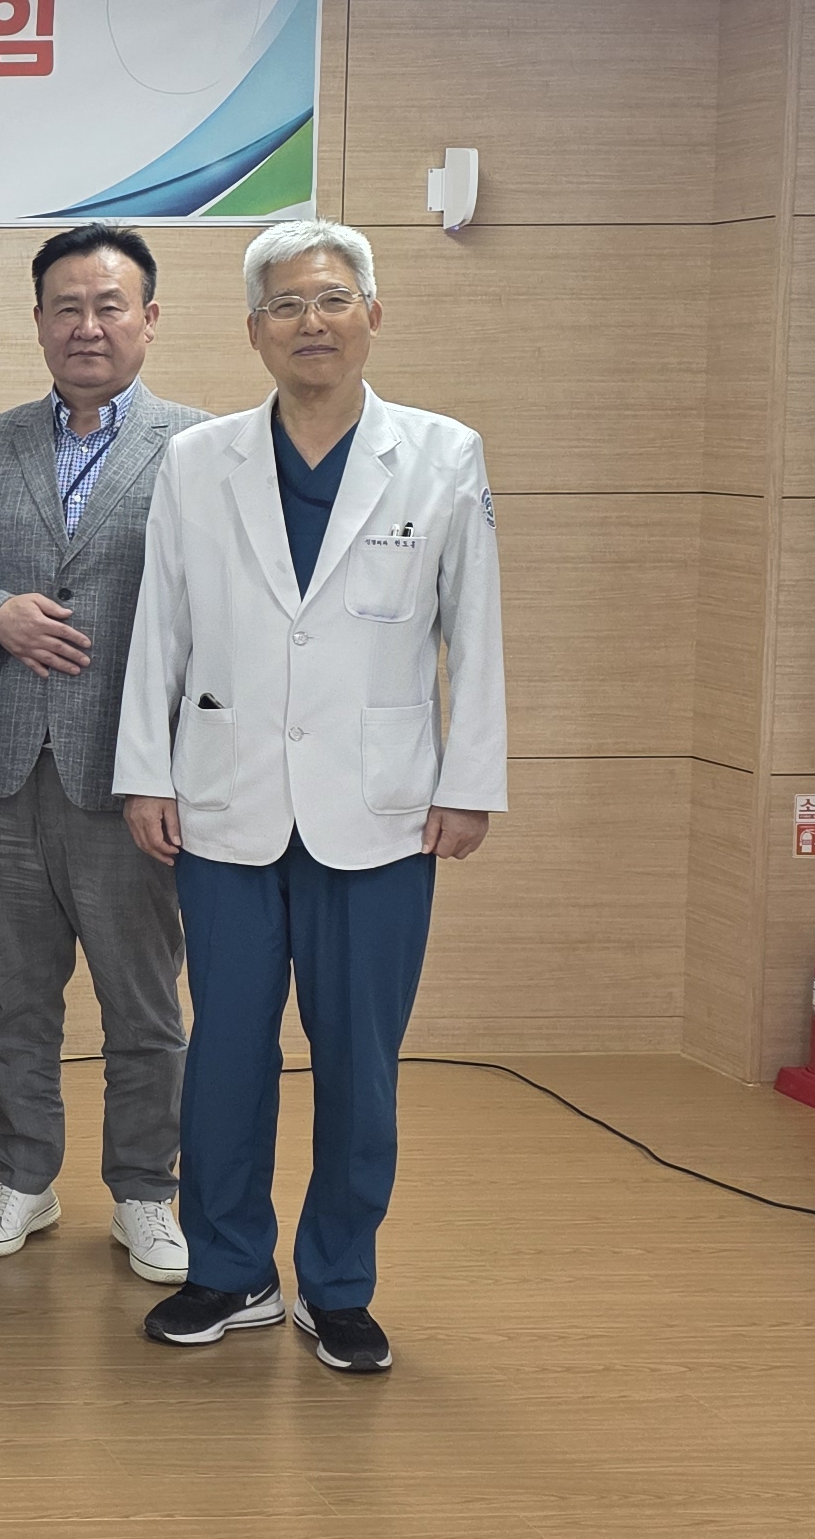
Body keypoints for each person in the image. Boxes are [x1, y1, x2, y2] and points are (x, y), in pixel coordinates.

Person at [115, 219, 509, 1378]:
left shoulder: (440, 454)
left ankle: (338, 1285)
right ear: (253, 331)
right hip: (223, 800)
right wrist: (145, 770)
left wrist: (469, 783)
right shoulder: (199, 461)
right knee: (225, 1056)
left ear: (372, 314)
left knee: (358, 1066)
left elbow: (474, 630)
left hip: (380, 812)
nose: (311, 323)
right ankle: (228, 1270)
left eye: (332, 300)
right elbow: (160, 626)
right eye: (285, 305)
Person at [0, 226, 211, 1283]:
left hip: (132, 780)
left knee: (143, 1003)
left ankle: (146, 1192)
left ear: (149, 319)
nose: (87, 326)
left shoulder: (203, 447)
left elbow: (222, 608)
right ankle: (22, 1176)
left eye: (108, 305)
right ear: (38, 322)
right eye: (66, 308)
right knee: (15, 997)